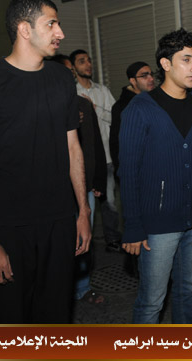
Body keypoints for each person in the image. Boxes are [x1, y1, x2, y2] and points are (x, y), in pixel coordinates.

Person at [0, 0, 91, 323]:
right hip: (6, 226)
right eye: (51, 24)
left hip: (58, 221)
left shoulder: (62, 78)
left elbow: (73, 148)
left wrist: (83, 211)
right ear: (24, 29)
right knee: (11, 321)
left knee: (55, 317)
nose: (60, 33)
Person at [119, 28, 192, 324]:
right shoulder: (140, 108)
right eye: (186, 60)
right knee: (152, 301)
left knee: (188, 290)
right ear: (165, 64)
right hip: (157, 227)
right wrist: (133, 226)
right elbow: (128, 170)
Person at [50, 53, 107, 304]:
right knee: (57, 243)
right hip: (53, 189)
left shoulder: (83, 105)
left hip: (84, 186)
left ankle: (83, 287)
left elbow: (94, 146)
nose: (70, 75)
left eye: (71, 72)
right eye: (66, 71)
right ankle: (58, 291)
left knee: (84, 239)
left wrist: (98, 182)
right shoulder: (42, 105)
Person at [70, 49, 121, 252]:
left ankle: (112, 239)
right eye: (82, 61)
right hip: (83, 159)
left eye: (89, 60)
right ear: (73, 68)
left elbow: (115, 118)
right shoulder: (72, 92)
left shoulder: (102, 90)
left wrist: (94, 110)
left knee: (110, 202)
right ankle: (83, 244)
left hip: (105, 156)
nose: (88, 64)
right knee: (84, 204)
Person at [110, 61, 156, 177]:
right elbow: (117, 143)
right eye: (144, 76)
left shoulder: (155, 101)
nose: (151, 79)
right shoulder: (122, 107)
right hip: (137, 172)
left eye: (151, 74)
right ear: (133, 81)